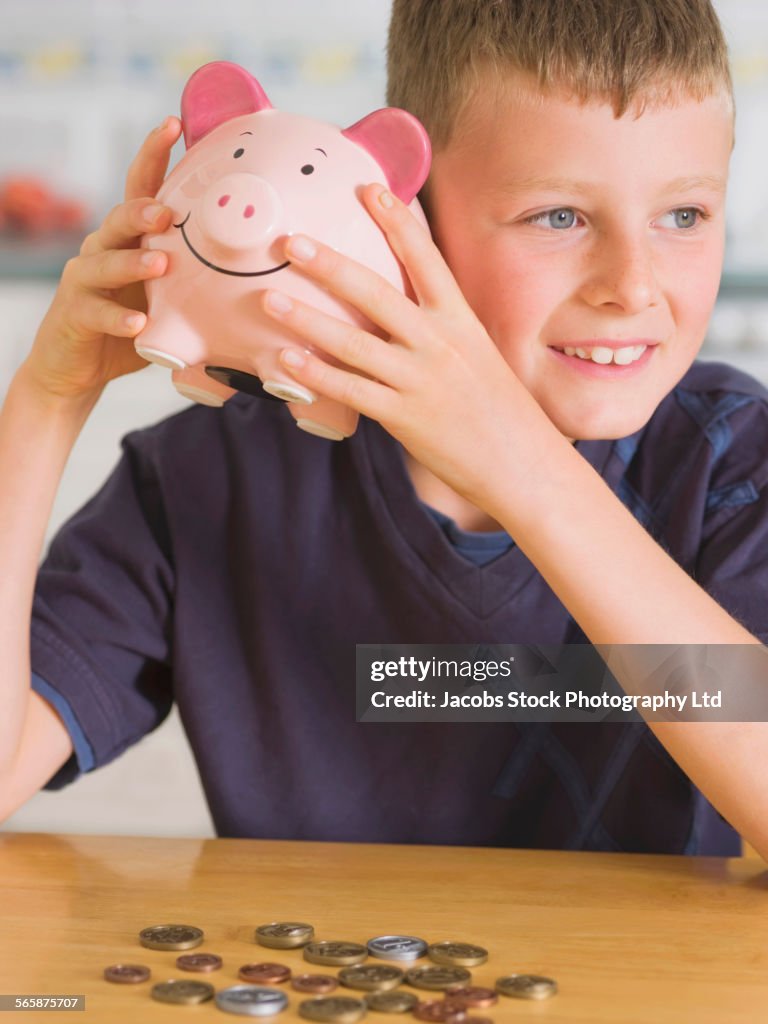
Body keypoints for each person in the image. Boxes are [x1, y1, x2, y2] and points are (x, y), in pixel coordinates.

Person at [1, 0, 766, 857]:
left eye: (685, 216)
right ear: (404, 218)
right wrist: (45, 399)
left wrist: (525, 473)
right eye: (559, 217)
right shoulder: (207, 480)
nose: (633, 285)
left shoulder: (732, 459)